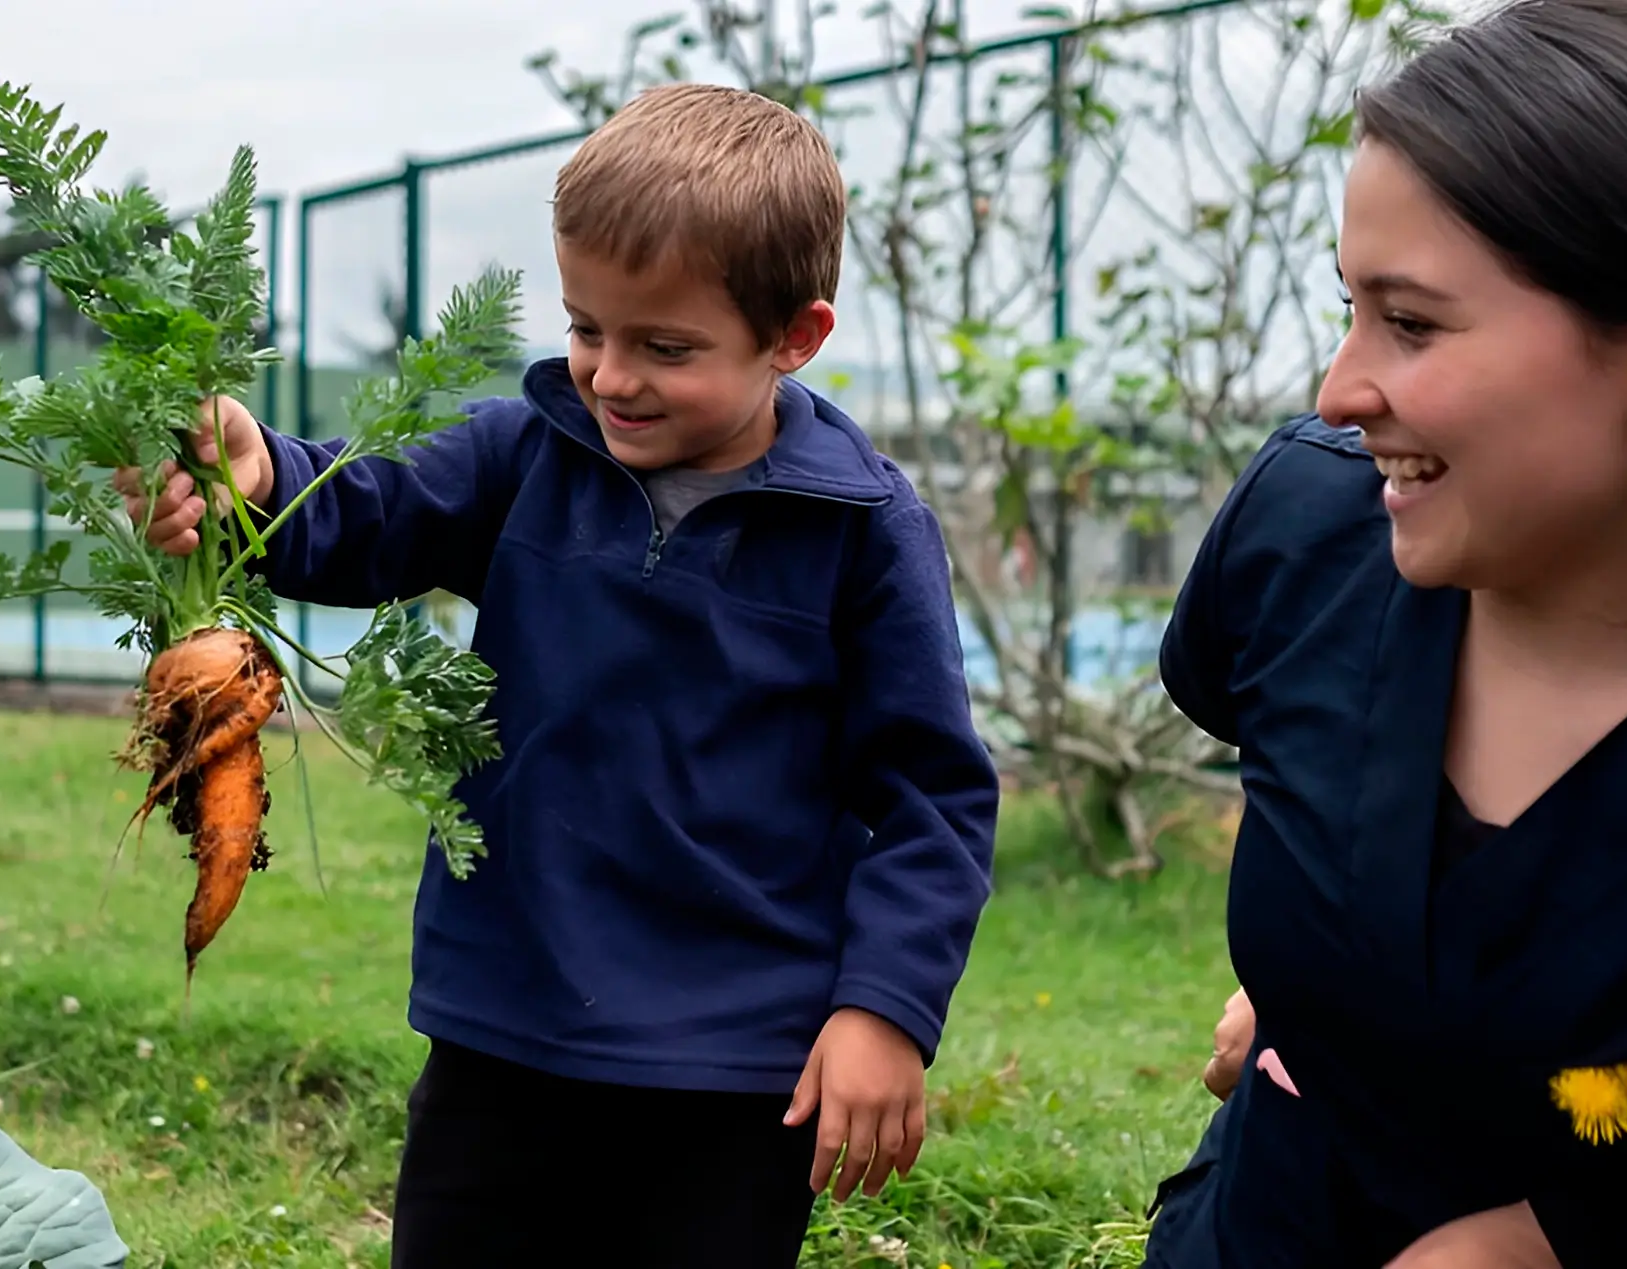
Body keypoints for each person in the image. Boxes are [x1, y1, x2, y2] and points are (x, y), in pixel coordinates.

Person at [116, 83, 1001, 1268]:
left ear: (796, 337)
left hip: (732, 1066)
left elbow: (933, 800)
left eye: (665, 347)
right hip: (504, 1026)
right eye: (587, 328)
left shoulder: (867, 532)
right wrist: (266, 474)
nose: (611, 376)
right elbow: (376, 514)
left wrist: (882, 1010)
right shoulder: (530, 451)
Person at [1144, 1, 1627, 1265]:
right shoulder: (1303, 533)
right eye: (1350, 308)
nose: (1337, 391)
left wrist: (1547, 1235)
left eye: (1412, 323)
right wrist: (1329, 992)